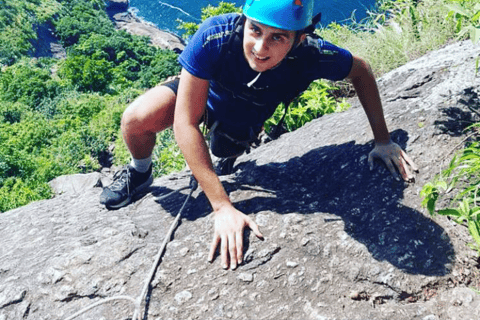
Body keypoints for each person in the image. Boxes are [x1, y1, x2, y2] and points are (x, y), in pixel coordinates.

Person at [100, 0, 418, 270]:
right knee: (135, 119)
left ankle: (227, 158)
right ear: (245, 21)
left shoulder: (311, 55)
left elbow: (360, 70)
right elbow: (185, 123)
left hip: (245, 117)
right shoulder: (216, 35)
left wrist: (383, 140)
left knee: (224, 151)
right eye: (255, 30)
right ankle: (140, 173)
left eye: (277, 37)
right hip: (204, 95)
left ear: (298, 39)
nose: (260, 47)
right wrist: (222, 206)